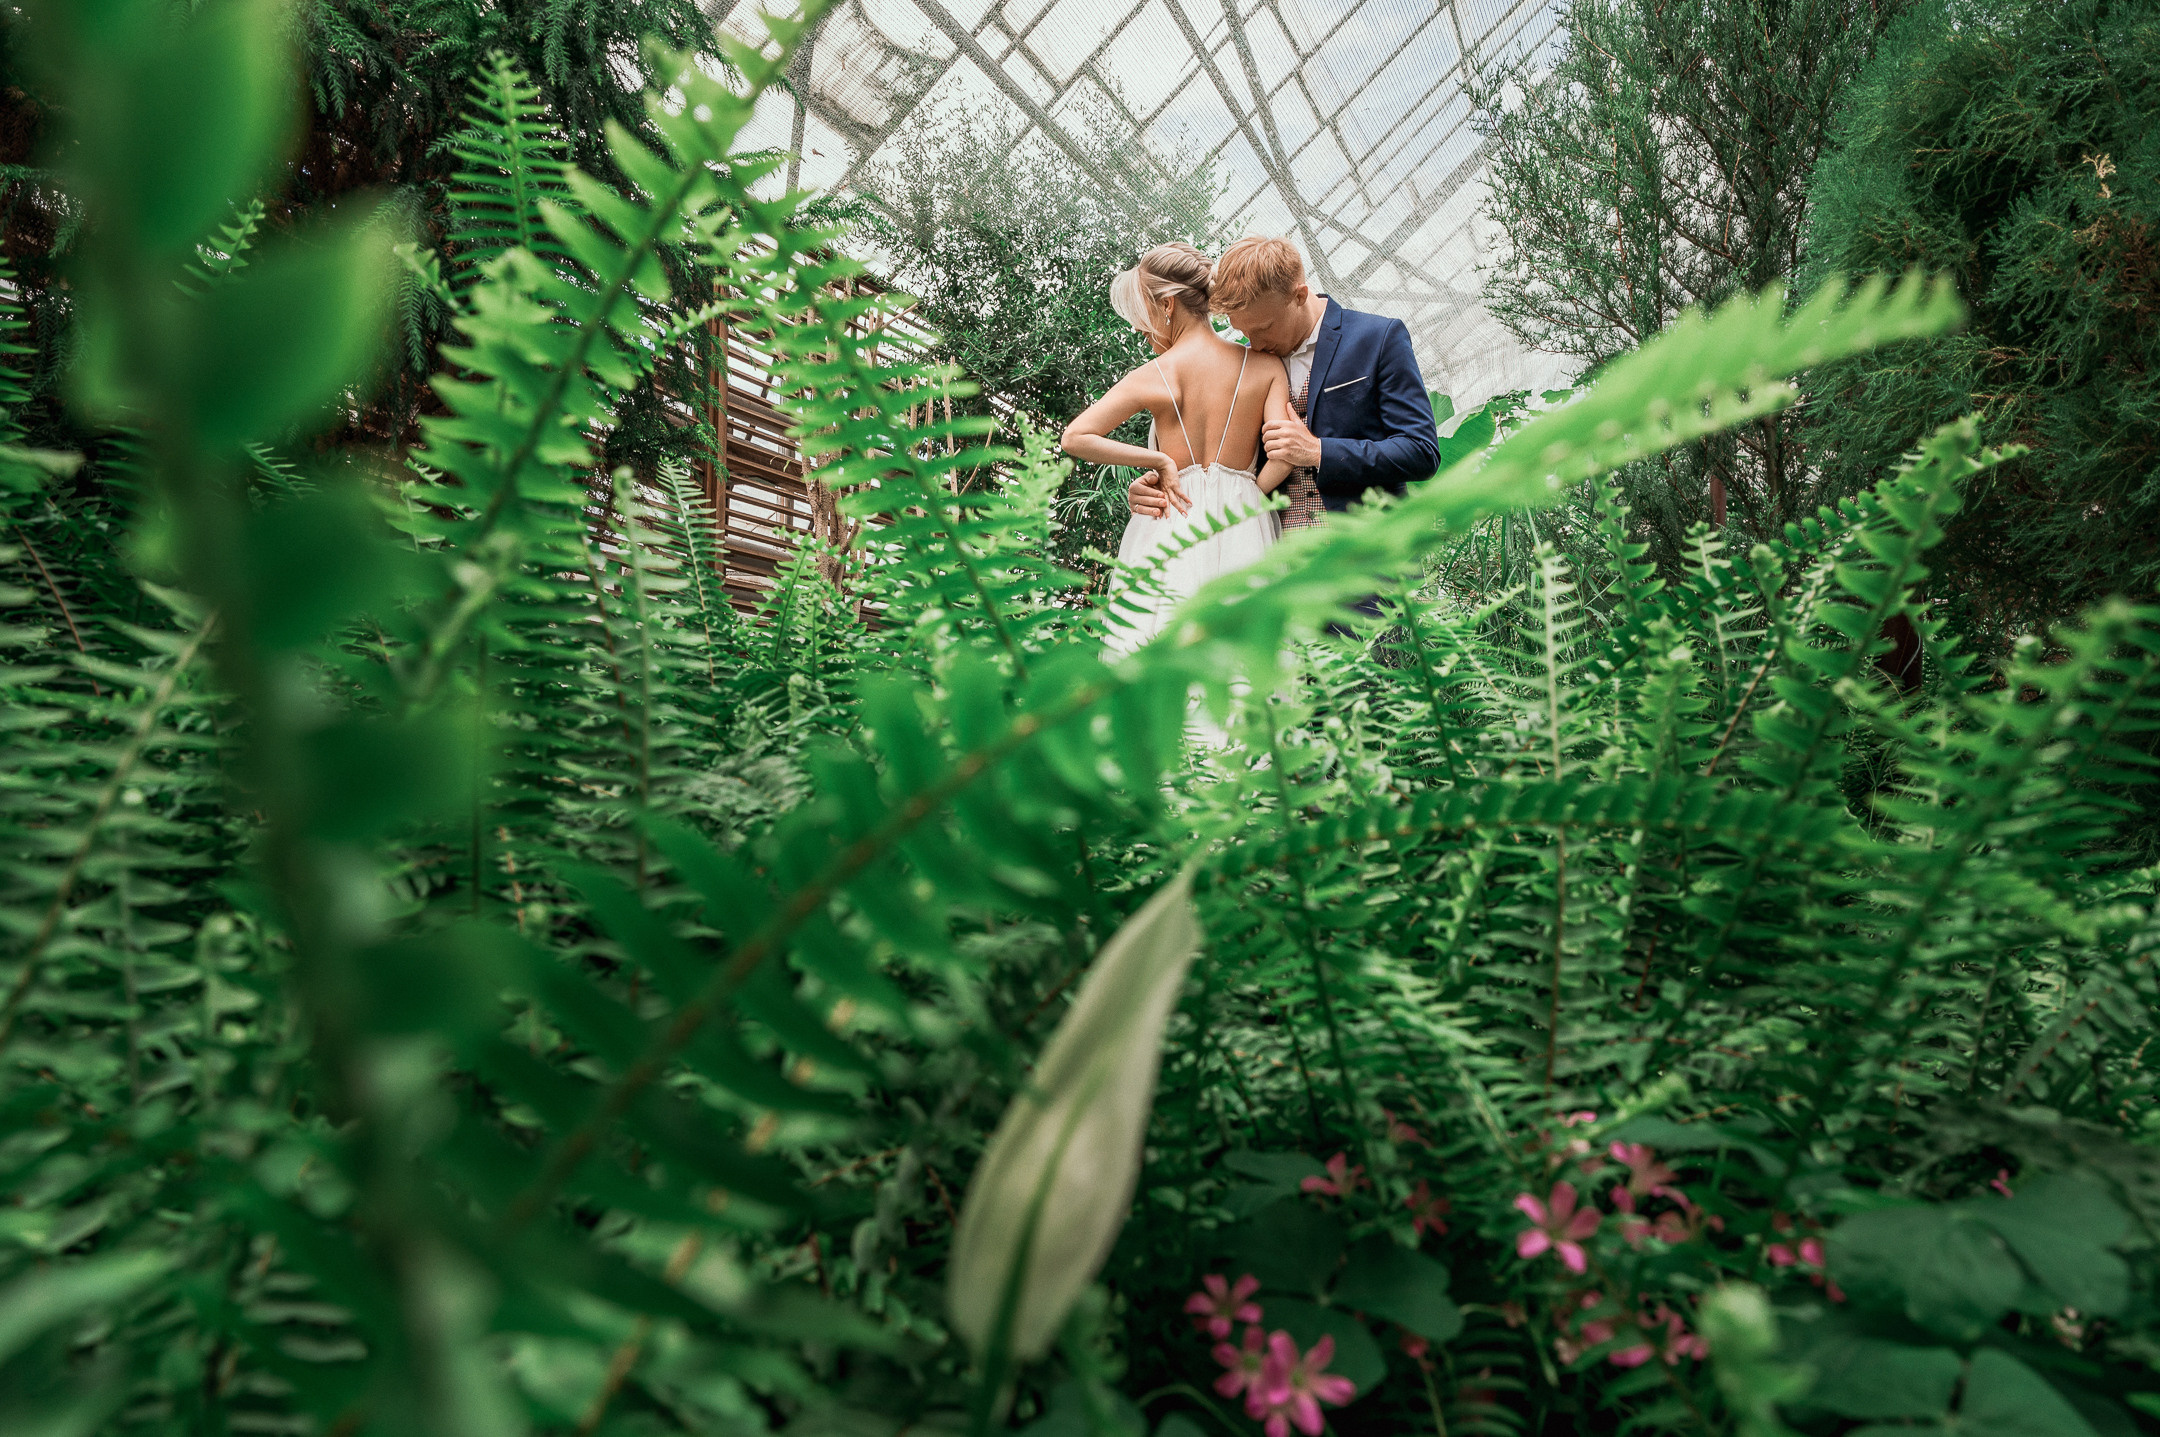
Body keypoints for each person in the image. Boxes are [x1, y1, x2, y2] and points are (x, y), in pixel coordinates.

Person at [1062, 243, 1294, 654]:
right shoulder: (1265, 366)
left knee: (1158, 646)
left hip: (1171, 520)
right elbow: (1283, 453)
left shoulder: (1153, 375)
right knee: (1241, 659)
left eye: (1145, 311)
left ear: (1168, 305)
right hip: (1244, 526)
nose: (1140, 326)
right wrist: (1246, 498)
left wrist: (1157, 460)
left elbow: (1075, 437)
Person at [1127, 237, 1439, 533]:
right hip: (1272, 557)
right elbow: (1219, 461)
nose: (1255, 344)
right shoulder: (1244, 363)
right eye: (1244, 332)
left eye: (1263, 328)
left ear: (1300, 296)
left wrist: (1317, 451)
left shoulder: (1378, 339)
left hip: (1368, 561)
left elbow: (1421, 452)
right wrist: (1160, 485)